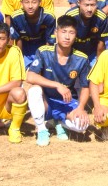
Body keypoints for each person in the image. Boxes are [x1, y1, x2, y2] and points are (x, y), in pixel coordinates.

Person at [25, 15, 91, 146]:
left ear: (76, 35)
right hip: (46, 101)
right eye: (63, 32)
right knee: (34, 90)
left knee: (82, 125)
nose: (67, 37)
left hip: (66, 102)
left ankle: (58, 122)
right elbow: (30, 76)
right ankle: (42, 129)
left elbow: (85, 87)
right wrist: (56, 85)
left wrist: (81, 108)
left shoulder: (82, 58)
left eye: (71, 33)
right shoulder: (44, 52)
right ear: (56, 32)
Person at [9, 0, 56, 69]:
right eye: (26, 2)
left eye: (34, 2)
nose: (30, 6)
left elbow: (49, 41)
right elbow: (17, 39)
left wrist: (47, 59)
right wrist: (19, 58)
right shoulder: (16, 17)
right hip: (25, 47)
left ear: (40, 2)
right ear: (21, 3)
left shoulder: (49, 17)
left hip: (42, 47)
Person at [64, 0, 108, 69]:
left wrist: (98, 63)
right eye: (86, 5)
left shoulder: (102, 17)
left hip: (93, 51)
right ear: (79, 3)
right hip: (75, 51)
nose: (89, 9)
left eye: (92, 5)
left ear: (97, 4)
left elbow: (101, 42)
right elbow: (66, 40)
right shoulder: (70, 16)